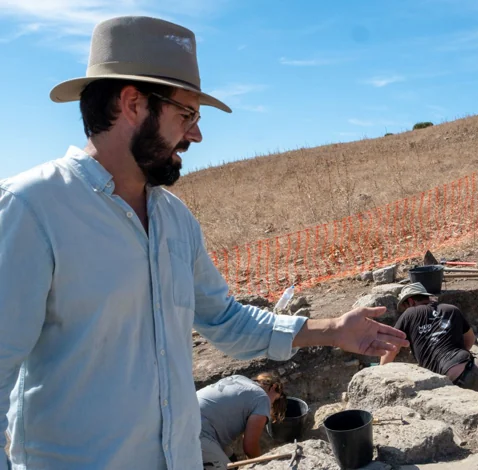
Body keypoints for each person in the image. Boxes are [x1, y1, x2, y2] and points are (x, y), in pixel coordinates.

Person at [0, 16, 408, 470]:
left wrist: (330, 330)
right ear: (132, 103)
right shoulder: (32, 208)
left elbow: (225, 320)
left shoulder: (174, 219)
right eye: (186, 114)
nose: (196, 134)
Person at [380, 283, 478, 407]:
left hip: (438, 385)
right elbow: (470, 340)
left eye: (405, 306)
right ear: (425, 297)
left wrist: (380, 374)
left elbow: (391, 346)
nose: (405, 310)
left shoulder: (409, 314)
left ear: (411, 301)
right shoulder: (451, 309)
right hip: (464, 374)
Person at [197, 373, 286, 470]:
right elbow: (250, 447)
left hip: (184, 416)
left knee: (231, 459)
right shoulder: (262, 398)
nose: (272, 404)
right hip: (196, 431)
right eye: (275, 400)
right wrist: (261, 466)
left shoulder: (239, 378)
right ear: (274, 386)